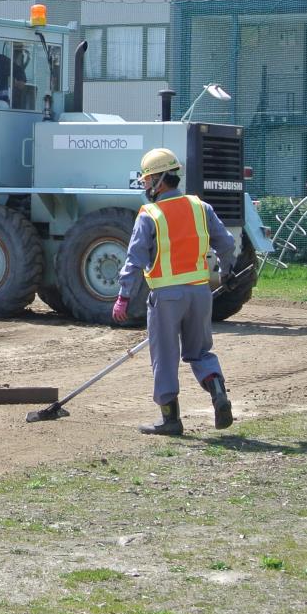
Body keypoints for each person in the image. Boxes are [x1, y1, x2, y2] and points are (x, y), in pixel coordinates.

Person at [112, 147, 238, 436]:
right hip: (200, 294)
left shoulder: (150, 214)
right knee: (200, 352)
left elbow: (135, 259)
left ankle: (171, 421)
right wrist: (226, 271)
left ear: (159, 180)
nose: (145, 186)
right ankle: (217, 391)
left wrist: (123, 296)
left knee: (165, 357)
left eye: (146, 181)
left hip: (166, 298)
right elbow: (227, 245)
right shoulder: (200, 207)